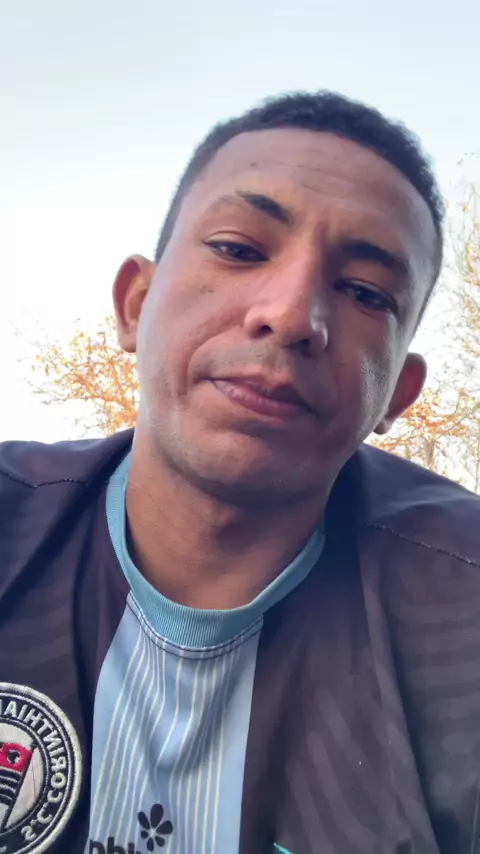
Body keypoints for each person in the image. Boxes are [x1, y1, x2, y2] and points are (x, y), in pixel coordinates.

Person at [0, 90, 478, 854]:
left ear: (399, 391)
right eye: (238, 249)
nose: (290, 316)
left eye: (364, 292)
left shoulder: (462, 618)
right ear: (135, 304)